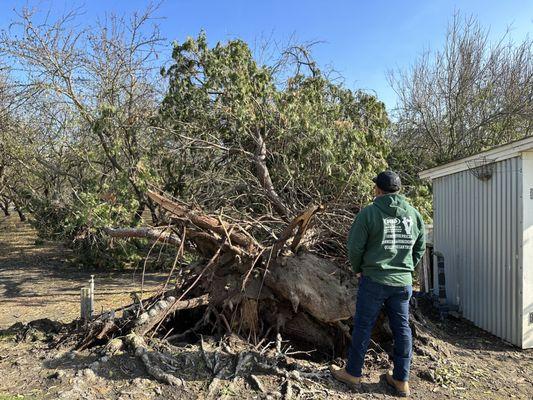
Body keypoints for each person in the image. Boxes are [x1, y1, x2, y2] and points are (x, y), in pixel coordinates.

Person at [330, 170, 426, 397]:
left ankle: (353, 373)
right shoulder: (414, 215)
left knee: (363, 326)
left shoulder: (369, 213)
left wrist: (359, 269)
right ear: (398, 190)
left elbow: (354, 247)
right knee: (402, 329)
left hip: (374, 279)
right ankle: (401, 380)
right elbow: (420, 246)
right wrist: (406, 267)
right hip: (402, 283)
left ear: (378, 190)